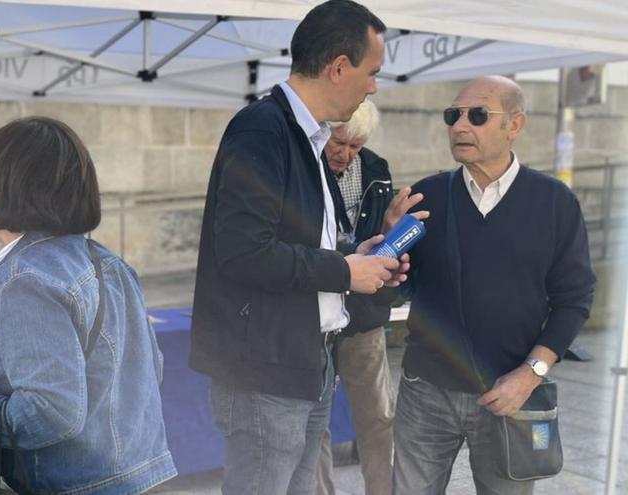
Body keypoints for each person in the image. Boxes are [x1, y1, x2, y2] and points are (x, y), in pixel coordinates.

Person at [189, 2, 420, 493]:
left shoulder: (305, 138)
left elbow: (306, 243)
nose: (374, 86)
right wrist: (345, 272)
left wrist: (367, 253)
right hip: (265, 372)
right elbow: (243, 252)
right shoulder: (263, 129)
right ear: (339, 67)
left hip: (305, 361)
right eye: (371, 72)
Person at [0, 117, 178, 495]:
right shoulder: (108, 262)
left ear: (1, 186)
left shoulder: (26, 278)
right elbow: (149, 370)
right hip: (134, 478)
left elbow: (50, 413)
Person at [393, 75, 596, 494]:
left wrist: (531, 374)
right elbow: (389, 291)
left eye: (478, 115)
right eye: (454, 115)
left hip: (511, 396)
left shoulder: (555, 202)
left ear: (515, 125)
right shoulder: (425, 198)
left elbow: (574, 299)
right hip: (426, 392)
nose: (460, 126)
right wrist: (387, 246)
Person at [315, 100, 397, 495]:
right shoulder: (306, 167)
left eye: (355, 146)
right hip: (317, 312)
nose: (346, 154)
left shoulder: (377, 171)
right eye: (339, 142)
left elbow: (388, 238)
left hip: (364, 314)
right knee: (316, 421)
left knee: (378, 417)